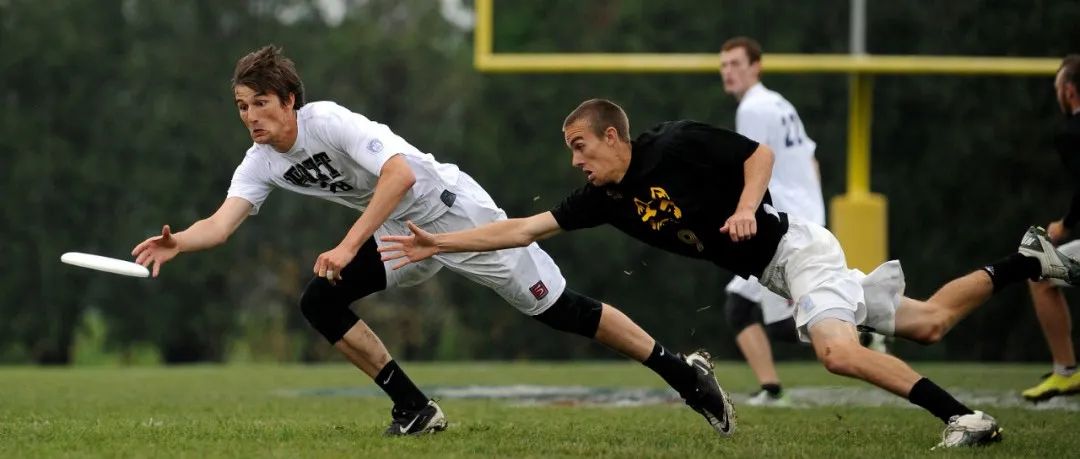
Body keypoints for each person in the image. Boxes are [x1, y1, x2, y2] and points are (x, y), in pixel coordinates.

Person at [379, 98, 1080, 448]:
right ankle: (1028, 261)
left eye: (581, 146)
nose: (575, 161)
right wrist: (441, 244)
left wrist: (747, 209)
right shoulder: (603, 197)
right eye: (572, 150)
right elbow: (522, 228)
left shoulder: (676, 144)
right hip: (779, 271)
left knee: (835, 351)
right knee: (927, 321)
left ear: (615, 136)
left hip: (798, 252)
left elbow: (759, 159)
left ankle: (965, 417)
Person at [130, 47, 735, 437]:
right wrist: (179, 242)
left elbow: (402, 174)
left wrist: (346, 246)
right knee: (320, 301)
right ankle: (414, 409)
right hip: (398, 232)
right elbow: (223, 221)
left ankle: (682, 373)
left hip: (450, 211)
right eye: (241, 107)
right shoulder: (259, 161)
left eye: (261, 104)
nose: (251, 117)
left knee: (559, 310)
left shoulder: (329, 121)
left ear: (290, 101)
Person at [719, 36, 832, 407]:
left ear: (756, 66)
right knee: (739, 305)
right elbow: (811, 158)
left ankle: (864, 331)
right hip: (801, 216)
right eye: (724, 65)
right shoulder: (777, 102)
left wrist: (748, 212)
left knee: (783, 325)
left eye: (736, 63)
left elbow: (753, 166)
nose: (729, 71)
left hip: (787, 225)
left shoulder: (753, 108)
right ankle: (771, 390)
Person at [1022, 54, 1080, 402]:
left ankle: (1066, 372)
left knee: (1038, 273)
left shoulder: (1073, 132)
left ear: (1069, 91)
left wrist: (1065, 224)